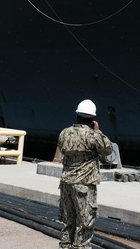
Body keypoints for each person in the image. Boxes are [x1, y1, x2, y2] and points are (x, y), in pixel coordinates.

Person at [57, 99, 112, 249]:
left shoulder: (64, 133)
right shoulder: (92, 136)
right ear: (92, 119)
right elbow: (108, 149)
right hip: (84, 185)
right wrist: (98, 131)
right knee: (85, 224)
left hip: (66, 183)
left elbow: (62, 149)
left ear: (77, 115)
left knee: (68, 222)